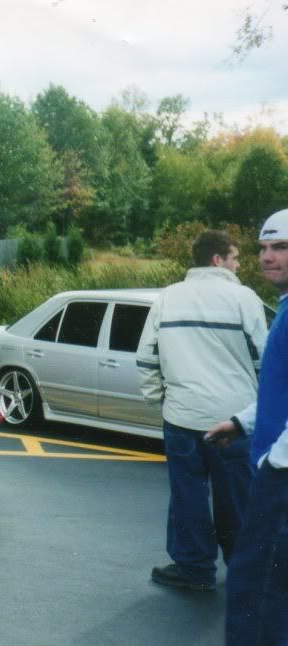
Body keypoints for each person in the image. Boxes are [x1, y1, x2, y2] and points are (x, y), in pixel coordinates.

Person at [136, 230, 268, 591]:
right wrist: (258, 408)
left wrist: (159, 400)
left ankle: (194, 569)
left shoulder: (168, 298)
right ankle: (244, 570)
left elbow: (147, 358)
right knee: (236, 496)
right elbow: (264, 360)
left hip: (181, 417)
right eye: (236, 259)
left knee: (187, 495)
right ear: (217, 260)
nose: (239, 265)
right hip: (233, 420)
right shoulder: (245, 299)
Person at [206, 209, 288, 644]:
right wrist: (242, 422)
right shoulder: (287, 308)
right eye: (262, 247)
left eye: (281, 247)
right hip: (274, 469)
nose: (267, 257)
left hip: (280, 478)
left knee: (254, 585)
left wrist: (277, 463)